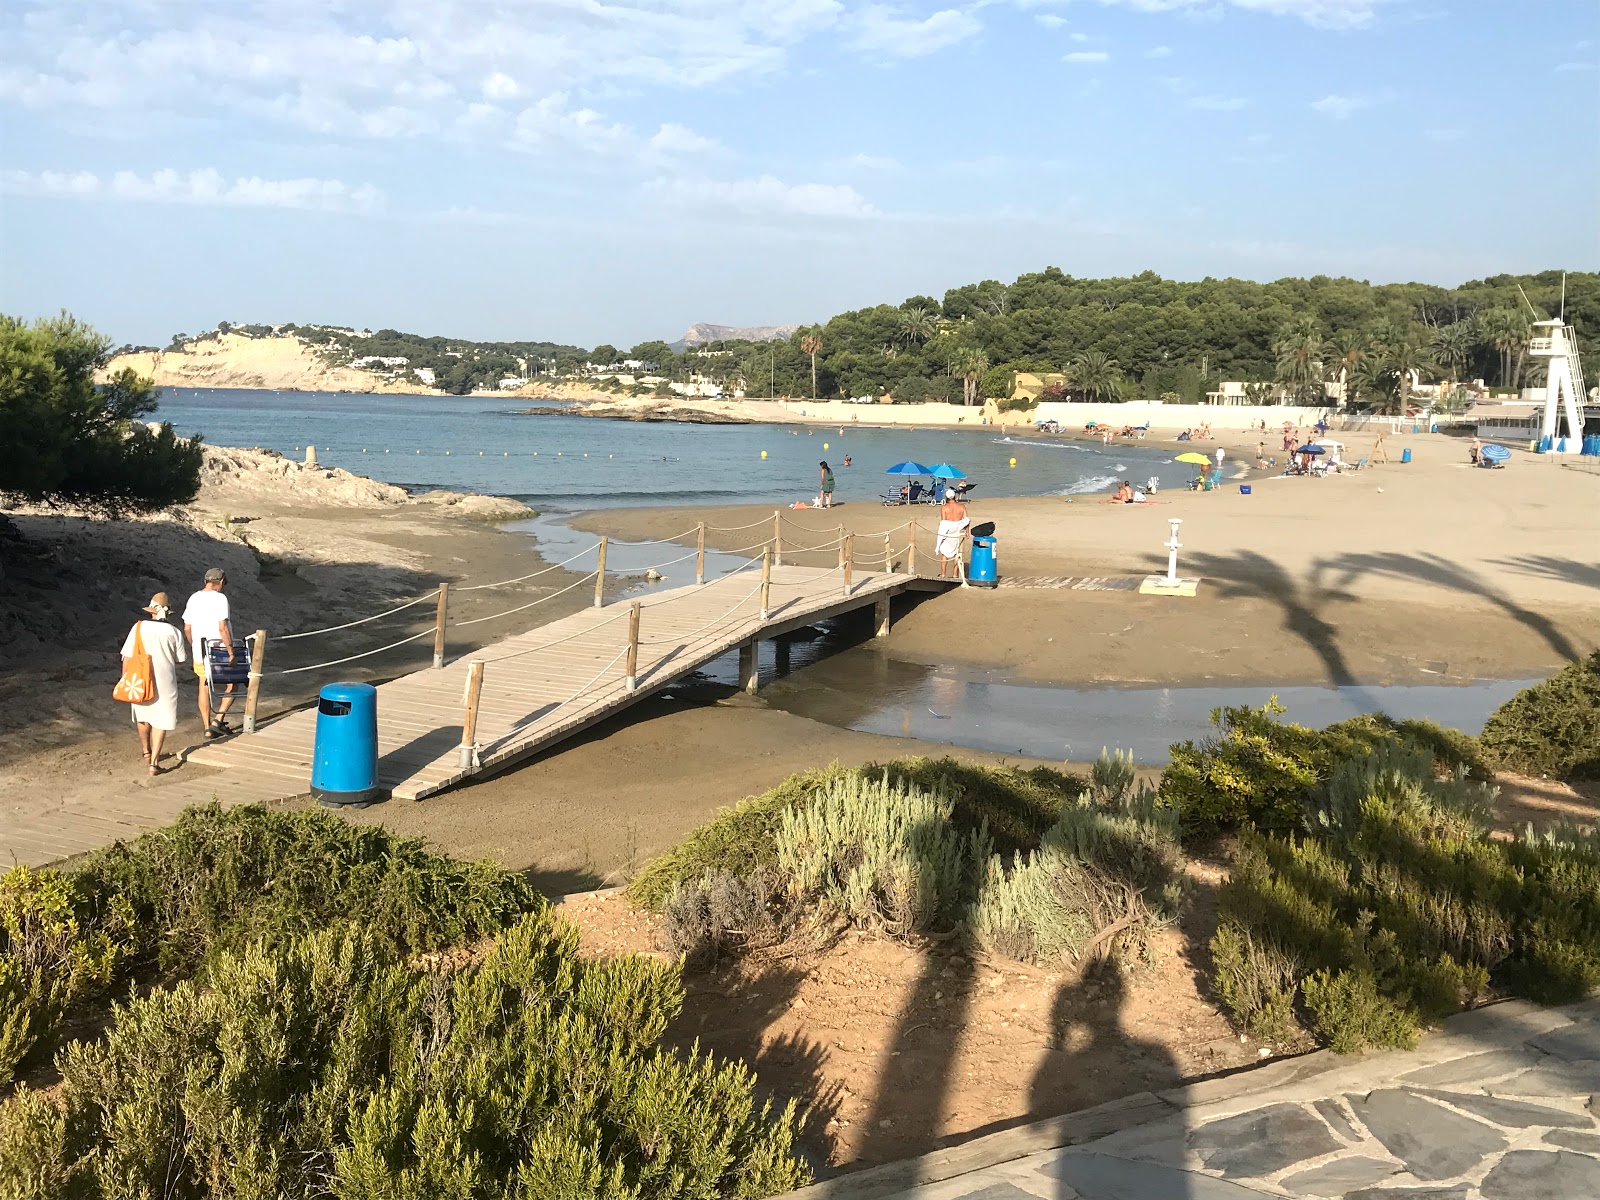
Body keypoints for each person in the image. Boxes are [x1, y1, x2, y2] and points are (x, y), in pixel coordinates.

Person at [121, 592, 187, 775]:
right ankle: (154, 763)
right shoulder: (174, 632)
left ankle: (146, 752)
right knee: (161, 720)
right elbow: (180, 658)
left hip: (140, 678)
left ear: (151, 611)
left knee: (143, 715)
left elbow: (127, 656)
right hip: (165, 680)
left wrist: (125, 678)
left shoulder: (138, 627)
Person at [184, 567, 237, 737]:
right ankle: (218, 719)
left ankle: (207, 726)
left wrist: (194, 645)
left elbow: (187, 628)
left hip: (200, 650)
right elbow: (222, 628)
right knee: (233, 682)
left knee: (204, 684)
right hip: (219, 649)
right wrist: (231, 652)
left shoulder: (193, 598)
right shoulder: (220, 599)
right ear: (221, 582)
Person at [936, 489, 969, 579]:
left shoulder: (944, 507)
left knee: (944, 553)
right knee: (956, 552)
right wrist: (967, 531)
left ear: (946, 497)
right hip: (957, 531)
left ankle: (943, 574)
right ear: (954, 496)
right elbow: (966, 520)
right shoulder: (962, 506)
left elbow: (944, 521)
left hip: (948, 531)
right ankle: (955, 574)